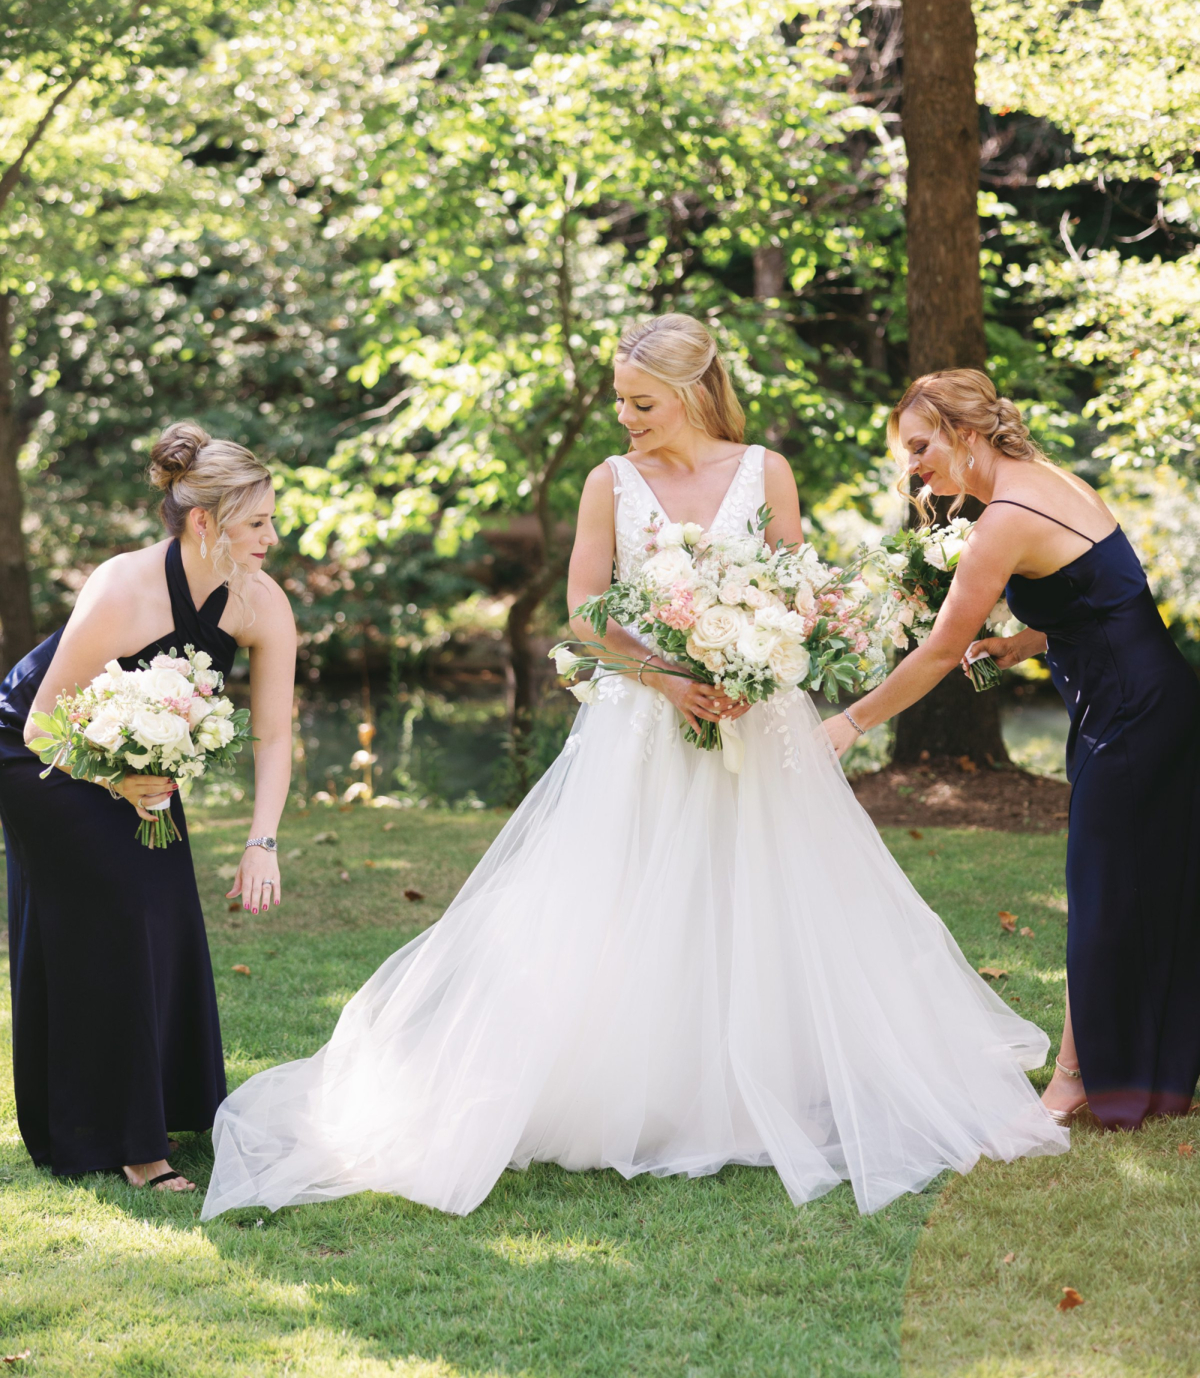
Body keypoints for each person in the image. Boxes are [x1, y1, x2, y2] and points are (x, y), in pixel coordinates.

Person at [202, 316, 1065, 1223]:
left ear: (692, 392)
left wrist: (756, 661)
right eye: (620, 400)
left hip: (753, 720)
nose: (626, 417)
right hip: (643, 725)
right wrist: (665, 678)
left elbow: (794, 593)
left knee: (762, 894)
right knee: (623, 901)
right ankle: (640, 1088)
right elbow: (581, 611)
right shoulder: (609, 482)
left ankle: (760, 1081)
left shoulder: (764, 469)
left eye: (641, 402)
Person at [826, 368, 1200, 1129]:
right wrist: (1021, 643)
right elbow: (1106, 596)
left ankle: (1075, 1079)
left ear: (965, 432)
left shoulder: (1006, 516)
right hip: (1148, 699)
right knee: (1144, 885)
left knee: (1100, 892)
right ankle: (1147, 1071)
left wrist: (850, 723)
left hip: (1132, 715)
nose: (914, 466)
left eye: (921, 445)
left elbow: (936, 652)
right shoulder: (1044, 479)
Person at [0, 423, 296, 1191]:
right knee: (124, 907)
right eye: (257, 521)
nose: (273, 535)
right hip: (39, 750)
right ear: (206, 521)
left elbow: (272, 733)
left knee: (164, 907)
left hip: (135, 762)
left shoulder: (261, 603)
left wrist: (261, 840)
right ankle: (138, 1146)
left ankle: (159, 1103)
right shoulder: (122, 585)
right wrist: (113, 783)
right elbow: (40, 724)